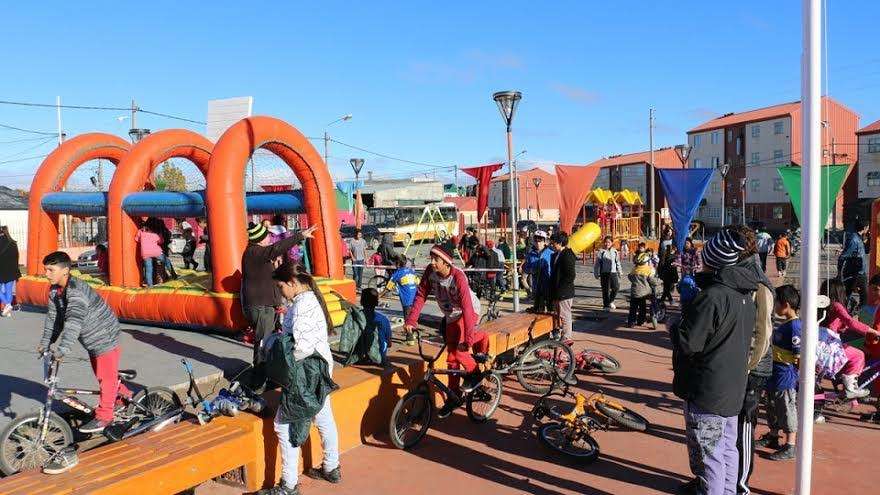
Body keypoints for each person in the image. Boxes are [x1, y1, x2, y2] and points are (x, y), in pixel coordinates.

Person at [671, 228, 757, 495]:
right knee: (727, 450)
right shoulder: (744, 294)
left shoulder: (713, 297)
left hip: (708, 390)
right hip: (732, 388)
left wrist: (674, 324)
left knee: (709, 459)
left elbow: (689, 343)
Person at [263, 263, 340, 495]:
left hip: (306, 373)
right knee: (323, 416)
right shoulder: (304, 301)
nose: (280, 292)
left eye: (281, 286)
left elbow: (302, 348)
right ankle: (331, 467)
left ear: (293, 283)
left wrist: (275, 349)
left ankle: (288, 485)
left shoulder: (304, 305)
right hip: (319, 370)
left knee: (282, 424)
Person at [37, 251, 131, 435]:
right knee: (103, 374)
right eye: (45, 270)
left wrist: (63, 349)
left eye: (50, 270)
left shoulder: (76, 292)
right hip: (90, 338)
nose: (46, 274)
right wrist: (46, 342)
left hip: (105, 335)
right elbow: (54, 319)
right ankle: (124, 396)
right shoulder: (55, 291)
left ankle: (105, 416)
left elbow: (73, 323)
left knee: (105, 376)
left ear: (65, 271)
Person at [404, 244, 488, 418]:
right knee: (451, 359)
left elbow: (466, 306)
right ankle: (454, 395)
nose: (432, 262)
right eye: (431, 258)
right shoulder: (430, 272)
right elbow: (421, 295)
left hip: (469, 311)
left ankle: (475, 373)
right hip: (451, 315)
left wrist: (469, 338)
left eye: (436, 259)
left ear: (447, 263)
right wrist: (411, 320)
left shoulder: (458, 277)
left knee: (459, 350)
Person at [242, 221, 316, 391]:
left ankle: (269, 374)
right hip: (261, 306)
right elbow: (276, 248)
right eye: (267, 235)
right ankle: (258, 380)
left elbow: (269, 274)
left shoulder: (258, 254)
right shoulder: (255, 252)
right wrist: (300, 235)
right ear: (261, 239)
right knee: (263, 342)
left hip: (267, 305)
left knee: (271, 341)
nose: (270, 238)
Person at [756, 284, 801, 462]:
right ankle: (773, 436)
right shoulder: (786, 324)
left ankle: (790, 445)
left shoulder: (795, 327)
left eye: (777, 304)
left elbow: (798, 356)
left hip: (785, 377)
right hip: (774, 374)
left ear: (786, 305)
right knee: (772, 407)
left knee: (786, 409)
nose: (775, 307)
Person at [820, 278, 878, 398]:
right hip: (828, 345)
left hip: (820, 342)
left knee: (849, 350)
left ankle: (841, 379)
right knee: (858, 355)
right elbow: (850, 322)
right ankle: (850, 387)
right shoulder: (836, 305)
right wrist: (874, 332)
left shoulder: (820, 305)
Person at [550, 232, 576, 343]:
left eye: (554, 243)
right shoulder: (555, 255)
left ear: (560, 243)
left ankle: (567, 336)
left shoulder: (567, 254)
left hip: (564, 291)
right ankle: (559, 334)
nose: (552, 245)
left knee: (565, 314)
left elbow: (571, 274)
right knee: (557, 313)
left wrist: (562, 287)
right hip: (556, 290)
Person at [387, 257, 419, 345]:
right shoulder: (411, 271)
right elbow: (418, 282)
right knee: (414, 316)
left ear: (397, 264)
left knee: (408, 318)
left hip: (407, 299)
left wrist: (379, 295)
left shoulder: (398, 273)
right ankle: (413, 333)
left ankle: (410, 339)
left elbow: (388, 287)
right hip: (416, 298)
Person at [839, 221, 869, 307]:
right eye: (867, 227)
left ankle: (851, 311)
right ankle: (862, 316)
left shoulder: (858, 238)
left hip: (858, 272)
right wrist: (839, 273)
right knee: (865, 298)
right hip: (855, 273)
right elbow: (843, 256)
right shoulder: (854, 239)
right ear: (864, 228)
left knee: (848, 295)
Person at [627, 252, 660, 328]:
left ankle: (631, 322)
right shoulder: (648, 270)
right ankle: (640, 321)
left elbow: (630, 277)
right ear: (646, 262)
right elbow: (652, 280)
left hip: (634, 292)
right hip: (643, 294)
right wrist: (658, 282)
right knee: (642, 308)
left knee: (633, 309)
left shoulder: (635, 269)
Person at [360, 288, 392, 366]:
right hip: (379, 358)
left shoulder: (356, 317)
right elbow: (389, 342)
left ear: (361, 302)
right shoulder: (383, 319)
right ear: (377, 303)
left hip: (360, 356)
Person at [524, 231, 554, 313]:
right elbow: (526, 270)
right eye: (536, 240)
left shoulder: (551, 254)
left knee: (551, 310)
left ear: (544, 241)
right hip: (536, 287)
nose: (538, 242)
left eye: (540, 240)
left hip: (549, 286)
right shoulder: (530, 255)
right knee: (538, 312)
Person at [593, 236, 622, 311]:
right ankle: (606, 306)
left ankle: (611, 301)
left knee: (616, 287)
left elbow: (617, 262)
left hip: (613, 272)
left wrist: (620, 271)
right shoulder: (601, 252)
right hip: (604, 273)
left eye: (609, 242)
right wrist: (596, 273)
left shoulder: (615, 251)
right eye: (605, 242)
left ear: (611, 243)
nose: (607, 244)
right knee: (605, 290)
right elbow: (597, 264)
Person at [0, 226, 21, 317]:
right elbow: (17, 257)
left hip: (1, 269)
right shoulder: (13, 243)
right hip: (12, 270)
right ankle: (7, 311)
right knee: (9, 291)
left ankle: (7, 305)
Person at [135, 223, 164, 287]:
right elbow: (161, 241)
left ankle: (150, 285)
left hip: (145, 253)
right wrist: (160, 235)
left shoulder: (141, 233)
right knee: (164, 261)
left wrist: (140, 231)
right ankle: (162, 279)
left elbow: (137, 239)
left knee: (148, 269)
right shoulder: (155, 234)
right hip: (156, 252)